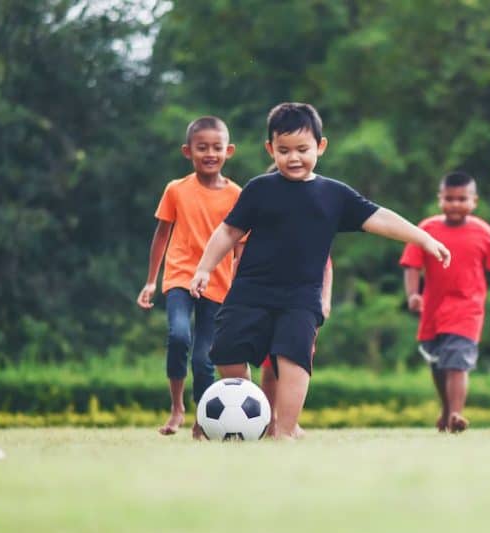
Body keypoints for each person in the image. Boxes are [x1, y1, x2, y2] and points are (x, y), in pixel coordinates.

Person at [189, 101, 450, 440]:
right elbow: (228, 232)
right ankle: (248, 417)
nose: (293, 158)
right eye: (283, 150)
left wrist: (424, 239)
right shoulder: (259, 189)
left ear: (320, 147)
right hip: (250, 290)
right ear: (270, 149)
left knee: (293, 357)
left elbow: (380, 218)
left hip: (300, 297)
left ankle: (284, 430)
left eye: (302, 149)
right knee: (227, 348)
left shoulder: (334, 195)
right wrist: (204, 269)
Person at [136, 116, 243, 435]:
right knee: (179, 335)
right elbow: (161, 235)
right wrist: (151, 281)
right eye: (202, 148)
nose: (209, 153)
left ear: (229, 151)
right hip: (180, 276)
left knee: (204, 357)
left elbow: (240, 245)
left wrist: (239, 286)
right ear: (187, 151)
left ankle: (202, 419)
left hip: (218, 283)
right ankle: (176, 408)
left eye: (216, 147)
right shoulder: (176, 190)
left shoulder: (237, 195)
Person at [399, 171, 490, 433]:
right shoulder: (427, 229)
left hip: (468, 307)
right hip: (433, 308)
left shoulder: (482, 232)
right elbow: (411, 264)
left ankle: (456, 415)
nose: (455, 204)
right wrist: (413, 294)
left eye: (462, 199)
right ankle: (446, 409)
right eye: (450, 198)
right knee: (437, 362)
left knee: (456, 361)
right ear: (439, 199)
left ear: (474, 201)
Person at [259, 256, 332, 439]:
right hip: (271, 302)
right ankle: (270, 421)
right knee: (269, 368)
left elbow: (326, 267)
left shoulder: (314, 232)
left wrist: (325, 300)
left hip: (304, 305)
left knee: (297, 363)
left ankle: (290, 421)